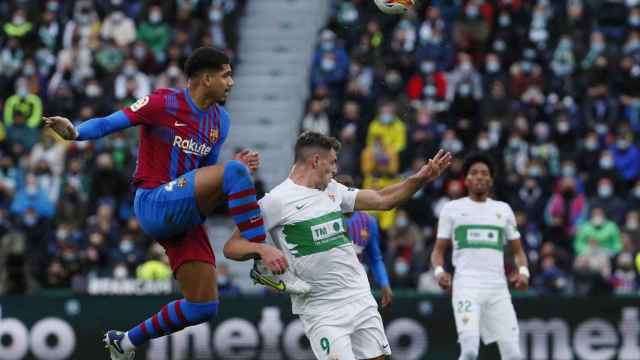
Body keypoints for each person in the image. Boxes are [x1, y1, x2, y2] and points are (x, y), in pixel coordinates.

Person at [43, 46, 288, 360]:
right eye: (226, 75)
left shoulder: (220, 122)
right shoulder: (163, 102)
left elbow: (203, 173)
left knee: (203, 306)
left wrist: (231, 176)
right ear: (206, 78)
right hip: (154, 202)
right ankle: (259, 259)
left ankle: (125, 342)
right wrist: (75, 132)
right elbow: (109, 123)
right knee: (236, 171)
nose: (232, 82)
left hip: (185, 213)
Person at [223, 132, 451, 360]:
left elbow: (383, 199)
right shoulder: (275, 202)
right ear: (315, 161)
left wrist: (421, 178)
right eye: (332, 162)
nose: (335, 169)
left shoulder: (333, 189)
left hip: (358, 296)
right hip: (321, 309)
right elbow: (232, 246)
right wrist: (263, 249)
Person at [431, 153, 529, 360]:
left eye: (484, 173)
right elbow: (438, 250)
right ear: (466, 179)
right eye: (474, 173)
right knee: (469, 351)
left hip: (498, 289)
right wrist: (440, 272)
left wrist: (524, 273)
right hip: (466, 287)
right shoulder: (452, 209)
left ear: (491, 180)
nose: (479, 177)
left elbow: (518, 251)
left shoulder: (503, 210)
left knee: (513, 354)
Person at [335, 174, 393, 308]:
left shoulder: (367, 221)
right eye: (340, 190)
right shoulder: (323, 218)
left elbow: (375, 258)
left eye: (348, 190)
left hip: (357, 285)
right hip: (331, 286)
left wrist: (384, 283)